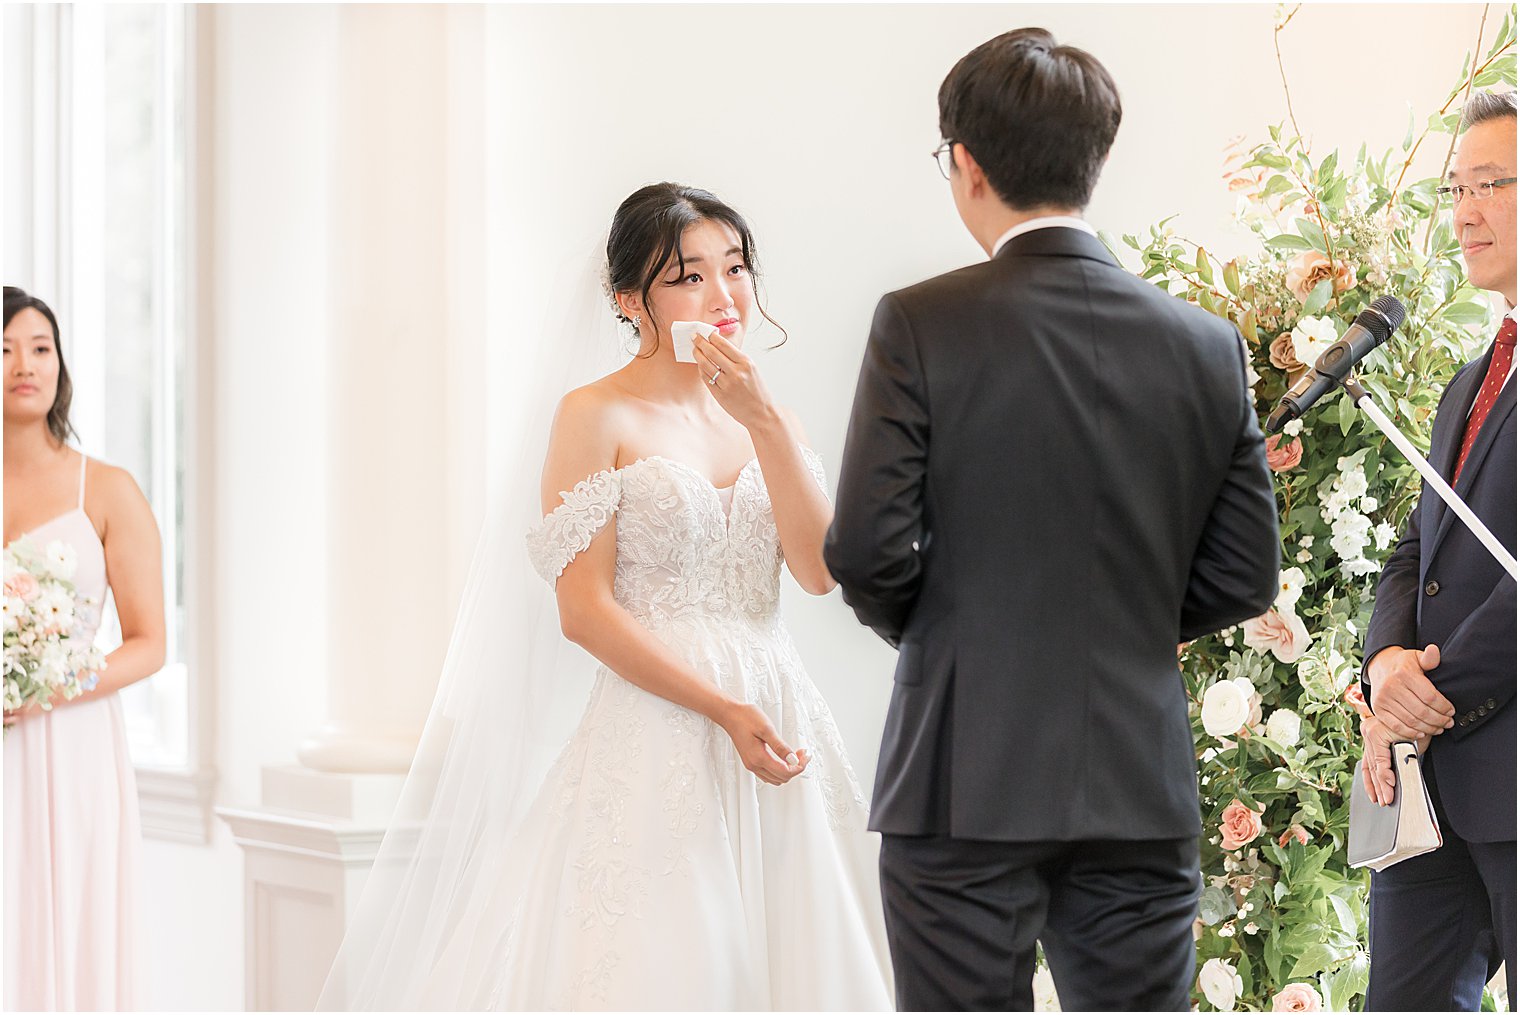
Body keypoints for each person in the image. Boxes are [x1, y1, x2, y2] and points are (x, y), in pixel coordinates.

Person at [320, 184, 892, 1010]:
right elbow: (582, 608)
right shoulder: (595, 413)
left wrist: (765, 422)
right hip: (661, 725)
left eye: (735, 268)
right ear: (630, 298)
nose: (724, 295)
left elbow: (815, 570)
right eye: (688, 276)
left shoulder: (774, 419)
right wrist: (721, 707)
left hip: (779, 708)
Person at [823, 28, 1280, 1011]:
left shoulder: (921, 322)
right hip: (1134, 779)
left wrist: (957, 635)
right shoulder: (1205, 346)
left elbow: (863, 548)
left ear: (966, 165)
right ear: (1095, 161)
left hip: (958, 778)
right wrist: (1119, 625)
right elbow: (1244, 571)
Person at [1358, 89, 1517, 1012]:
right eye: (1455, 187)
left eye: (1491, 183)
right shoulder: (1469, 378)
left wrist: (1427, 694)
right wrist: (1384, 665)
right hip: (1425, 794)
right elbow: (1419, 543)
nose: (1464, 211)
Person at [3, 285, 166, 1010]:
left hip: (71, 743)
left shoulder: (105, 488)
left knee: (66, 920)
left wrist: (43, 684)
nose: (23, 364)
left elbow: (149, 643)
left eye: (40, 347)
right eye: (4, 349)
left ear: (61, 364)